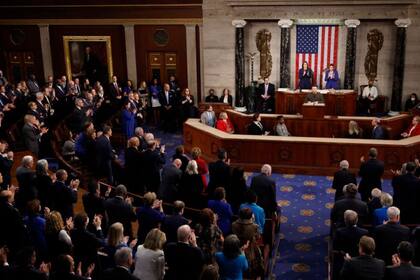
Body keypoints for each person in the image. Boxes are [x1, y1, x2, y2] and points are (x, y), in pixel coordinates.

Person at [332, 210, 369, 280]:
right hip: (359, 259)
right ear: (357, 220)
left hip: (342, 259)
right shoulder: (364, 232)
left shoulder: (339, 232)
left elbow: (335, 247)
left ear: (345, 221)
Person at [232, 207, 264, 279]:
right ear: (250, 216)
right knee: (254, 262)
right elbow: (258, 237)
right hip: (250, 247)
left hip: (237, 247)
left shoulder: (234, 224)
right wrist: (253, 220)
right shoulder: (254, 226)